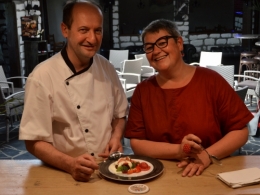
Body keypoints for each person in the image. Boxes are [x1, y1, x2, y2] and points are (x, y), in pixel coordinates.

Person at [124, 19, 253, 177]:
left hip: (210, 171)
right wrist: (179, 151)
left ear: (179, 43)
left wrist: (206, 156)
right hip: (160, 175)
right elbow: (137, 143)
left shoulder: (211, 80)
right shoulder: (143, 91)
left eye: (162, 43)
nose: (156, 51)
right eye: (149, 47)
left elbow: (240, 131)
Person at [19, 0, 128, 182]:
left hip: (109, 169)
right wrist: (70, 164)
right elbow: (33, 141)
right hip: (64, 173)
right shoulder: (42, 76)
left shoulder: (107, 68)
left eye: (98, 30)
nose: (92, 39)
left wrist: (116, 137)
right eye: (84, 30)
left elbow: (120, 114)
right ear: (65, 30)